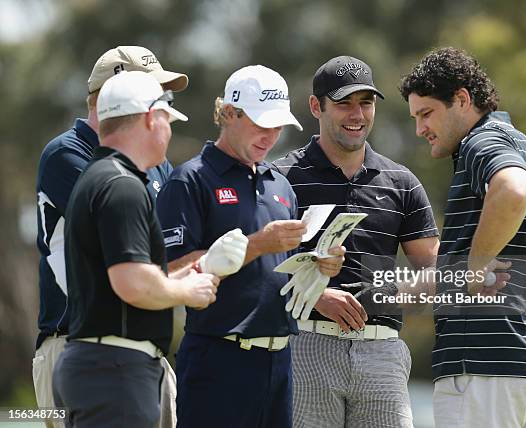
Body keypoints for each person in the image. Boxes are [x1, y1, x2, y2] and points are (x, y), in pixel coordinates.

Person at [155, 64, 345, 428]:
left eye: (278, 126)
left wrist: (319, 267)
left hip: (281, 361)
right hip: (218, 359)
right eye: (261, 124)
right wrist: (258, 244)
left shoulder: (280, 185)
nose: (271, 135)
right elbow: (174, 269)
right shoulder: (190, 180)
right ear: (229, 113)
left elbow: (283, 273)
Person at [400, 47, 526, 427]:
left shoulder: (480, 143)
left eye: (426, 113)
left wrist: (475, 266)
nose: (420, 128)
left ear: (462, 99)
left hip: (484, 365)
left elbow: (512, 188)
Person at [273, 55, 439, 428]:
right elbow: (258, 268)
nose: (357, 114)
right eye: (344, 103)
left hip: (382, 351)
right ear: (316, 106)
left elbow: (433, 273)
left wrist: (383, 294)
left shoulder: (402, 182)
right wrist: (314, 295)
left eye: (365, 103)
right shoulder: (280, 177)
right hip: (306, 346)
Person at [51, 71, 224, 427]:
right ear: (150, 118)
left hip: (99, 365)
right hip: (116, 370)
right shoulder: (123, 186)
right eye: (167, 119)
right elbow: (132, 283)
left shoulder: (99, 177)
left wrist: (176, 275)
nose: (169, 131)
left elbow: (117, 275)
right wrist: (187, 289)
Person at [34, 45, 187, 428]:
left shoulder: (156, 162)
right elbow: (128, 241)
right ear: (114, 96)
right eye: (152, 95)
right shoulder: (67, 155)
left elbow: (166, 240)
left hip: (139, 351)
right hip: (76, 344)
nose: (162, 111)